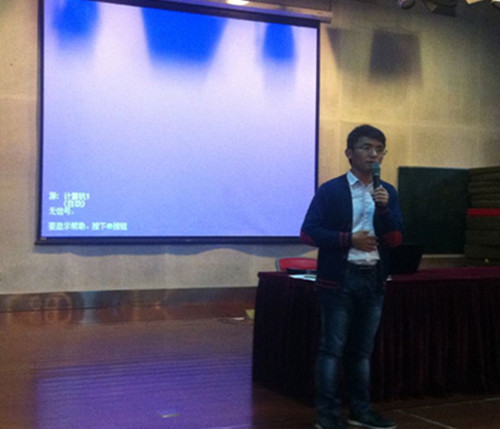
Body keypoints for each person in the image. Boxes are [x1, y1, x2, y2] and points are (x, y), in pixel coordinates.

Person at [301, 124, 403, 429]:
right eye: (366, 147)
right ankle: (328, 416)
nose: (373, 154)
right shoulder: (331, 190)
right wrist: (349, 240)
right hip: (339, 279)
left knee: (362, 352)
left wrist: (383, 210)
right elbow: (308, 233)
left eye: (379, 149)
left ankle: (361, 411)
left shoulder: (388, 193)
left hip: (374, 279)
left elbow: (396, 239)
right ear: (349, 153)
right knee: (332, 350)